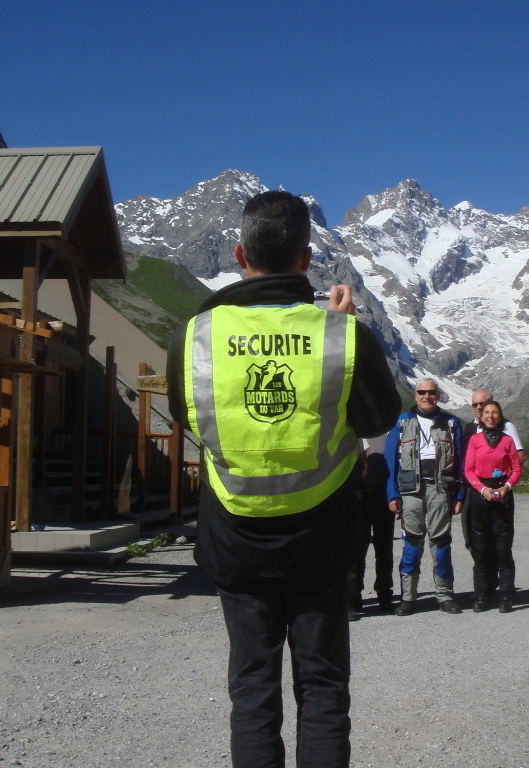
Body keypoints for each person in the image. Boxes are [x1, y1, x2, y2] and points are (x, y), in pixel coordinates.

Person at [166, 190, 400, 768]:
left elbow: (186, 417)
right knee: (322, 688)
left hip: (235, 540)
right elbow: (378, 419)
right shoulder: (342, 337)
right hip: (322, 542)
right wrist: (340, 331)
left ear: (240, 254)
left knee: (252, 690)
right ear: (307, 257)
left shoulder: (195, 338)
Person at [385, 378, 465, 615]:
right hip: (410, 492)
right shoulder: (401, 422)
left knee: (441, 542)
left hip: (440, 489)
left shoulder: (451, 423)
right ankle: (408, 598)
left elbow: (460, 461)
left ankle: (444, 595)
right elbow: (391, 462)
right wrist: (392, 494)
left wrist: (459, 493)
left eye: (431, 392)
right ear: (415, 395)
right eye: (422, 392)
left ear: (438, 395)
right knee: (411, 542)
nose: (426, 396)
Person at [463, 400, 523, 613]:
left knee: (503, 547)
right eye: (487, 412)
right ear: (481, 415)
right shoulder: (475, 440)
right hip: (480, 494)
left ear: (500, 416)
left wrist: (507, 487)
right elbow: (468, 469)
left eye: (495, 412)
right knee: (480, 548)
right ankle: (482, 595)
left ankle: (506, 595)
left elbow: (516, 469)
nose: (490, 416)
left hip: (503, 495)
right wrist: (482, 489)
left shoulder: (507, 441)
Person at [350, 432, 395, 618]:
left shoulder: (390, 429)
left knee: (384, 548)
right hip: (357, 495)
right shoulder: (351, 428)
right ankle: (352, 598)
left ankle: (385, 594)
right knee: (355, 549)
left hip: (383, 493)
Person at [467, 387, 527, 464]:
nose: (478, 407)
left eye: (482, 404)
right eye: (475, 405)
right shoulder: (469, 427)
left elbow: (520, 456)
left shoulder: (506, 426)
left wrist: (506, 473)